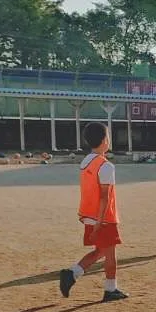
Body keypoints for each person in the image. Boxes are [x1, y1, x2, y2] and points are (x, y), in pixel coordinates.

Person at [59, 122, 127, 302]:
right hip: (103, 217)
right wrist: (101, 220)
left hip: (88, 214)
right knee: (110, 254)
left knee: (100, 251)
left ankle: (73, 273)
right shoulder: (106, 166)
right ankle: (110, 289)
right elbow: (105, 196)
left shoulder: (85, 162)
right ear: (105, 140)